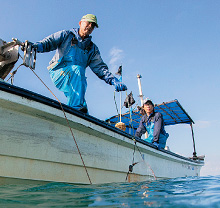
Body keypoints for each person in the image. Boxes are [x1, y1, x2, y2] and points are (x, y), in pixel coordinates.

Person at [32, 14, 127, 113]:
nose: (90, 26)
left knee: (82, 103)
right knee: (78, 71)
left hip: (76, 78)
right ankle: (75, 109)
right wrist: (36, 46)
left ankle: (82, 118)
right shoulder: (66, 35)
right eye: (88, 23)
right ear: (80, 23)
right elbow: (49, 42)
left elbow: (100, 68)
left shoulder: (92, 48)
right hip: (58, 71)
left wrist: (113, 80)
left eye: (93, 26)